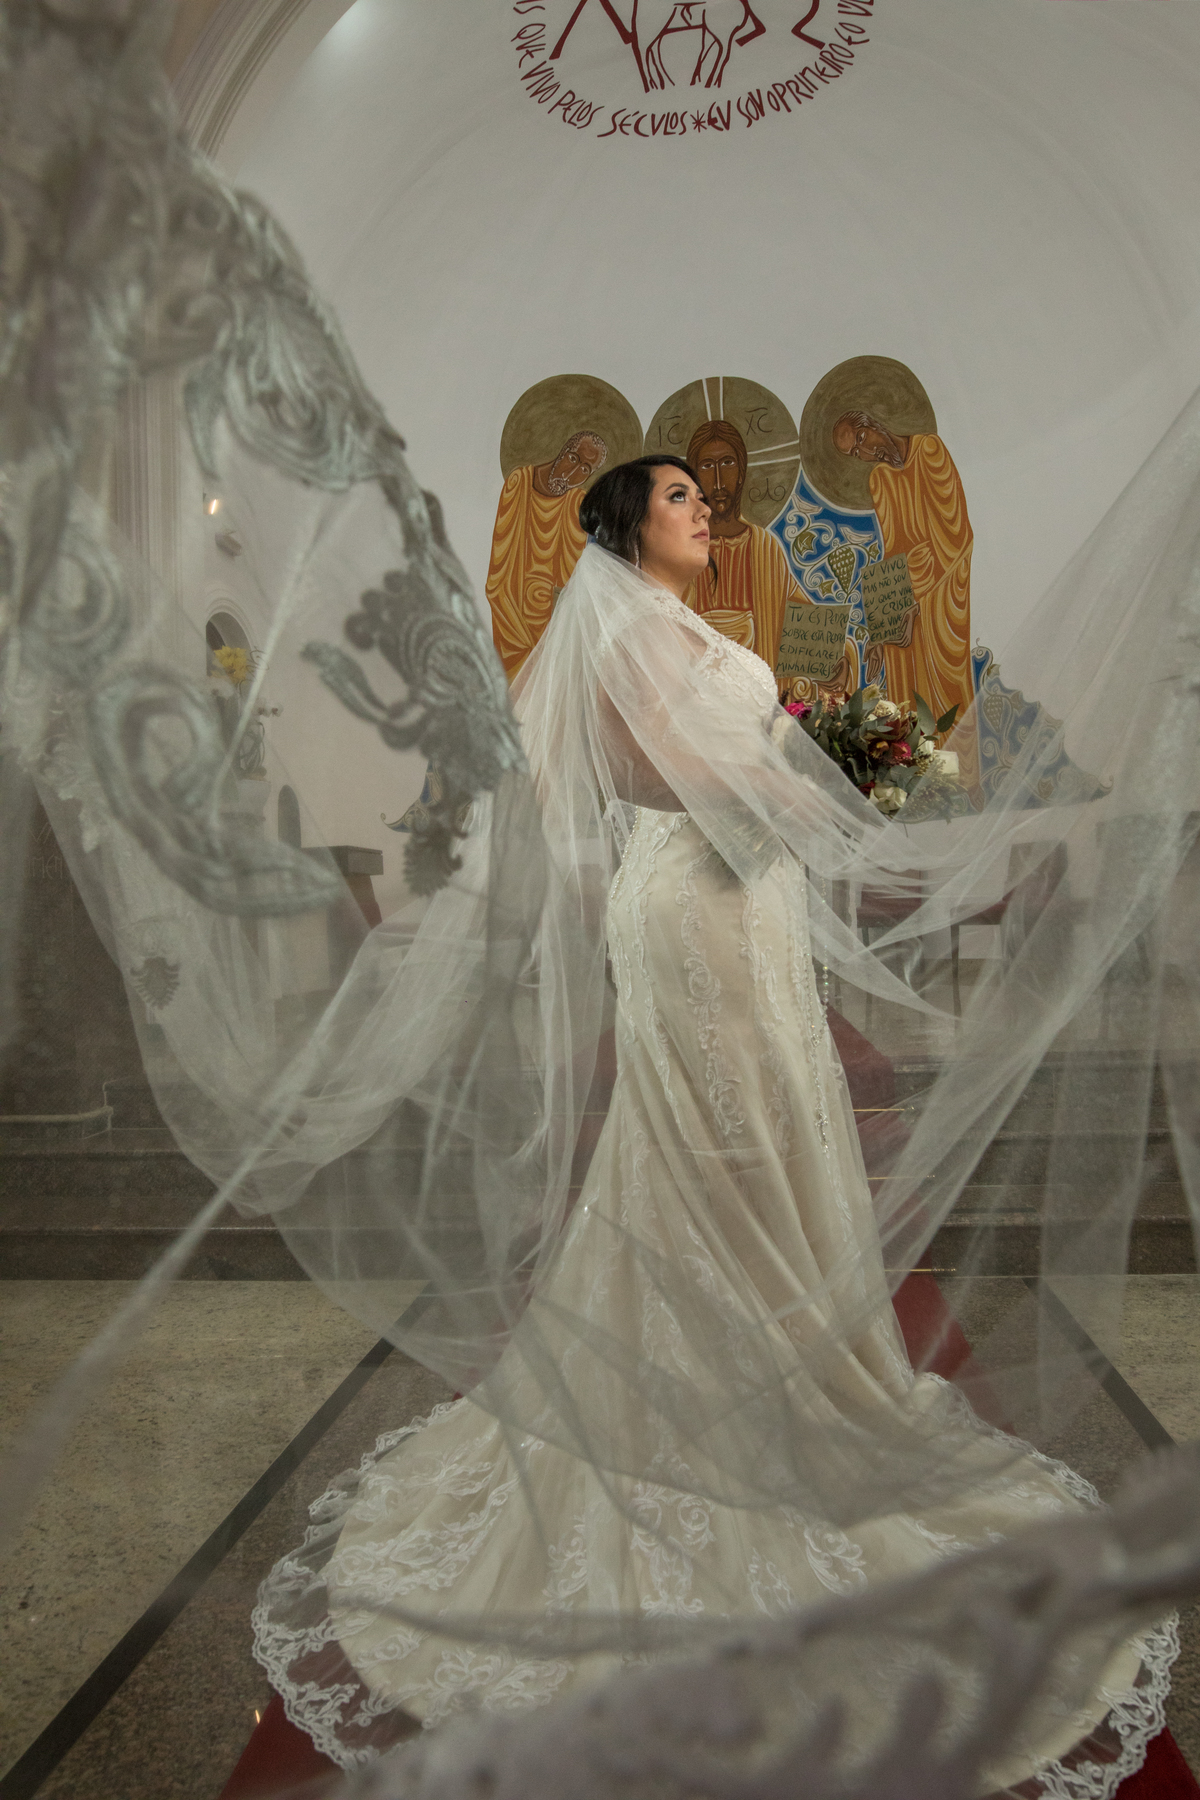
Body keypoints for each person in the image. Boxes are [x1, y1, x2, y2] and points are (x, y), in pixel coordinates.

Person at [251, 457, 1167, 1788]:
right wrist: (829, 786)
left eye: (702, 498)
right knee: (721, 1136)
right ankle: (717, 1397)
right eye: (680, 498)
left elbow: (736, 764)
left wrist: (826, 771)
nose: (703, 512)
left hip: (747, 898)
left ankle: (783, 1357)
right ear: (630, 525)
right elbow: (664, 778)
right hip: (697, 903)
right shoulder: (625, 627)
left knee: (769, 1123)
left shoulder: (686, 627)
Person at [831, 409, 975, 733]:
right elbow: (893, 551)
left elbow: (955, 537)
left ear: (874, 423)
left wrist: (918, 602)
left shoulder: (930, 450)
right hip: (907, 595)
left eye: (863, 439)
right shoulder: (880, 479)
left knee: (946, 694)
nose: (867, 452)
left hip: (939, 593)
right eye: (856, 453)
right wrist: (882, 626)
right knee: (908, 700)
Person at [685, 418, 804, 679]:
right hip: (699, 687)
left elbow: (803, 621)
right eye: (707, 466)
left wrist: (837, 658)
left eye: (727, 463)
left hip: (757, 686)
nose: (718, 481)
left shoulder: (765, 547)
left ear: (741, 472)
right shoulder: (683, 550)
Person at [485, 429, 609, 680]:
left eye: (585, 470)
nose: (572, 474)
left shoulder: (576, 502)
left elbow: (568, 577)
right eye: (573, 459)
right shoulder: (519, 482)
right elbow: (501, 559)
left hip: (545, 607)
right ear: (562, 451)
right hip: (509, 599)